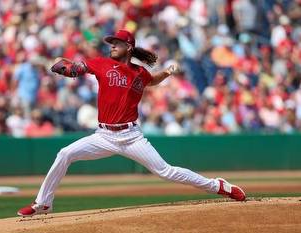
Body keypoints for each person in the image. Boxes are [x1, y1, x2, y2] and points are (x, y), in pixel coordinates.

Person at [17, 29, 246, 217]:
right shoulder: (101, 64)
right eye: (111, 43)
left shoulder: (139, 72)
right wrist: (62, 65)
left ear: (128, 47)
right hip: (103, 136)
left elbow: (151, 80)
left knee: (166, 171)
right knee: (65, 153)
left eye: (116, 43)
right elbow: (64, 65)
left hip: (131, 137)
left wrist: (166, 73)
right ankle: (43, 203)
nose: (112, 46)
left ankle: (218, 186)